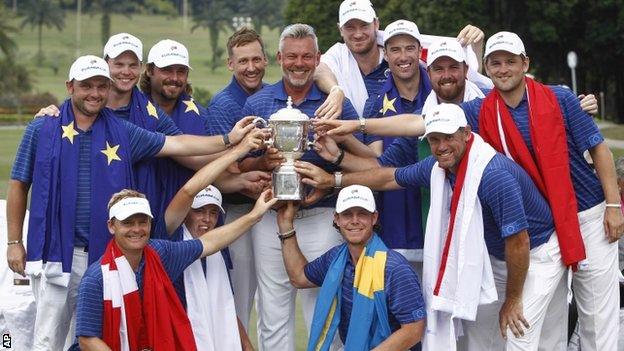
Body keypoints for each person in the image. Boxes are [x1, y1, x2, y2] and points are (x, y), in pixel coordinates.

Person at [4, 55, 262, 350]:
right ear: (69, 86)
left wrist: (230, 138)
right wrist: (14, 241)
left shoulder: (122, 131)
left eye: (101, 86)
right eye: (86, 85)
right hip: (56, 253)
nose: (95, 93)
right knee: (49, 338)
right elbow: (18, 184)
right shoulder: (42, 128)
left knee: (96, 335)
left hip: (104, 253)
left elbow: (176, 144)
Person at [298, 103, 566, 350]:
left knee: (519, 336)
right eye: (434, 139)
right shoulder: (437, 167)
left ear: (466, 133)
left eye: (448, 137)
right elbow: (389, 177)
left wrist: (513, 299)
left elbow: (519, 241)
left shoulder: (493, 176)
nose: (441, 146)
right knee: (478, 333)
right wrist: (334, 180)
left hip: (538, 254)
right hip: (498, 256)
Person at [240, 23, 367, 350]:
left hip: (322, 217)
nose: (299, 63)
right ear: (280, 58)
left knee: (322, 306)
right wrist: (263, 163)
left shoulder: (335, 103)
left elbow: (365, 161)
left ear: (317, 59)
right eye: (292, 56)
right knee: (272, 308)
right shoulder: (258, 104)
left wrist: (331, 173)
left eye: (307, 56)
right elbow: (239, 164)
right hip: (271, 216)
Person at [74, 185, 276, 350]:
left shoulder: (161, 253)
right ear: (112, 226)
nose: (136, 229)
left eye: (142, 222)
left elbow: (209, 243)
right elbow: (87, 340)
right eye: (128, 223)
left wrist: (254, 215)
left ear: (150, 224)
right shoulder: (96, 277)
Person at [276, 185, 425, 350]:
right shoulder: (336, 258)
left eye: (362, 213)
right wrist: (285, 225)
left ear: (374, 218)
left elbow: (414, 330)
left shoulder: (395, 268)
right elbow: (299, 277)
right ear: (336, 219)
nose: (355, 220)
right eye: (347, 214)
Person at [159, 132, 261, 350]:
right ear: (187, 213)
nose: (207, 219)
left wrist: (246, 344)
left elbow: (225, 305)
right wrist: (238, 150)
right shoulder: (171, 237)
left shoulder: (219, 250)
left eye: (213, 212)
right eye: (199, 211)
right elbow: (188, 191)